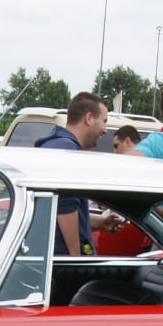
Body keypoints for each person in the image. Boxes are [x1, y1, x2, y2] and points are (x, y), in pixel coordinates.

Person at [33, 92, 108, 255]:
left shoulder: (53, 145)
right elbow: (64, 210)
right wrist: (77, 259)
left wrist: (101, 222)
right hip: (60, 256)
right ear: (89, 118)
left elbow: (55, 211)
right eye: (104, 121)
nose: (105, 130)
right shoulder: (67, 152)